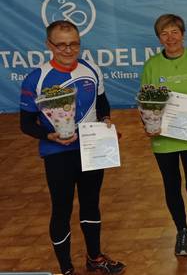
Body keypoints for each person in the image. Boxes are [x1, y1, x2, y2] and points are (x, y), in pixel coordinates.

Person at [20, 20, 126, 275]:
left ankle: (95, 257)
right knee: (62, 208)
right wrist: (50, 135)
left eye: (74, 44)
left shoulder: (91, 70)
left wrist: (106, 121)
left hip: (91, 148)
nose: (68, 50)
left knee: (91, 203)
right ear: (49, 45)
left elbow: (102, 104)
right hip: (57, 153)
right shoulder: (36, 78)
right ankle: (66, 268)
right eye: (62, 45)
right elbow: (25, 123)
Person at [140, 14, 187, 256]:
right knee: (171, 186)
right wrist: (148, 122)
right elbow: (145, 101)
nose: (170, 37)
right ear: (159, 38)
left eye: (174, 32)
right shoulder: (152, 66)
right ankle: (182, 231)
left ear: (182, 34)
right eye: (164, 33)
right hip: (164, 139)